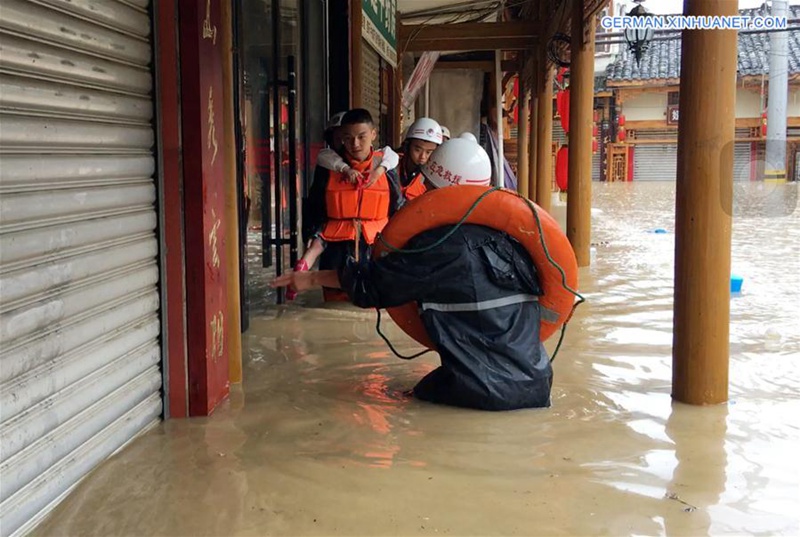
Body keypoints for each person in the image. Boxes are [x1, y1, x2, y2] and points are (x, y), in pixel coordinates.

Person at [272, 134, 553, 411]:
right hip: (537, 382)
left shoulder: (443, 246)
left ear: (443, 192)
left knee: (371, 404)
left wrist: (309, 278)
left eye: (429, 188)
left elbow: (373, 284)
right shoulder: (511, 240)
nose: (425, 195)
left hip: (479, 390)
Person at [292, 111, 399, 300]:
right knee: (333, 308)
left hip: (373, 246)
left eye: (361, 137)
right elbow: (315, 202)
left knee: (373, 302)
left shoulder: (386, 167)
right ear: (341, 138)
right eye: (348, 138)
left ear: (373, 134)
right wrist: (311, 234)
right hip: (336, 248)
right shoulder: (329, 165)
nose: (355, 144)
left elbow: (397, 207)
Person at [397, 117, 443, 201]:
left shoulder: (433, 179)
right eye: (417, 150)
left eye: (428, 152)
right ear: (407, 146)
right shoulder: (390, 164)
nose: (423, 156)